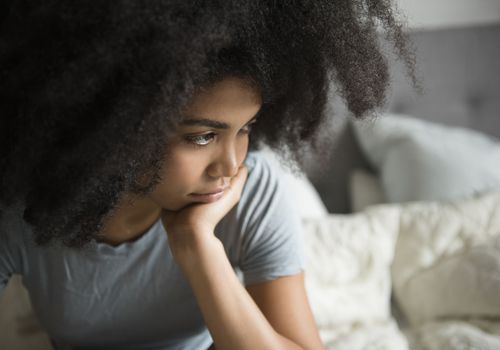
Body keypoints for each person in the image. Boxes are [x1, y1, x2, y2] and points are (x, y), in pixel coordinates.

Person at [0, 1, 414, 349]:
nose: (231, 165)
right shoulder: (24, 209)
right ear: (120, 127)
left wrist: (198, 248)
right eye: (202, 137)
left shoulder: (255, 187)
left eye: (246, 129)